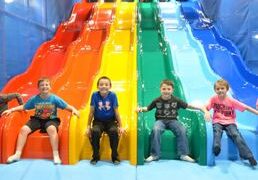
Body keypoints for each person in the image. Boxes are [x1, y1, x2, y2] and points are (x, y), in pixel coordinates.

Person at [1, 77, 80, 164]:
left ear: (50, 87)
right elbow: (24, 107)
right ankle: (17, 154)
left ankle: (56, 154)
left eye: (46, 85)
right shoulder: (35, 99)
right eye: (42, 85)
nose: (44, 86)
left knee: (51, 129)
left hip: (51, 120)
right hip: (37, 119)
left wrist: (74, 109)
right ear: (38, 88)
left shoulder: (54, 98)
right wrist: (11, 110)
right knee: (24, 130)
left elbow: (66, 106)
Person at [136, 79, 206, 163]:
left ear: (172, 90)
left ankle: (183, 154)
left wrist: (200, 108)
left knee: (182, 129)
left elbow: (188, 106)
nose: (166, 91)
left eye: (168, 89)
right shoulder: (156, 100)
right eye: (164, 89)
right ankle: (154, 155)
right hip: (160, 120)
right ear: (160, 89)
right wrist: (140, 109)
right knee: (156, 129)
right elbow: (147, 108)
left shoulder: (176, 100)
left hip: (173, 120)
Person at [204, 79, 258, 166]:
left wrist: (256, 112)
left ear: (227, 89)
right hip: (217, 121)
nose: (220, 90)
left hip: (230, 122)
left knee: (236, 135)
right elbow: (205, 106)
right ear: (215, 90)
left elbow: (246, 107)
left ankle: (248, 156)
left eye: (222, 88)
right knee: (217, 132)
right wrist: (206, 112)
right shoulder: (213, 99)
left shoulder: (231, 101)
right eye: (218, 89)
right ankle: (216, 147)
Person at [86, 76, 125, 165]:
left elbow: (116, 112)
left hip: (111, 121)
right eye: (101, 84)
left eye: (106, 84)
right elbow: (91, 112)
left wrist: (121, 126)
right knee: (95, 131)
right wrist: (88, 126)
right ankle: (95, 156)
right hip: (98, 121)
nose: (104, 86)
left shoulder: (113, 95)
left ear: (110, 86)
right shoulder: (94, 95)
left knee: (114, 131)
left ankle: (115, 157)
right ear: (97, 86)